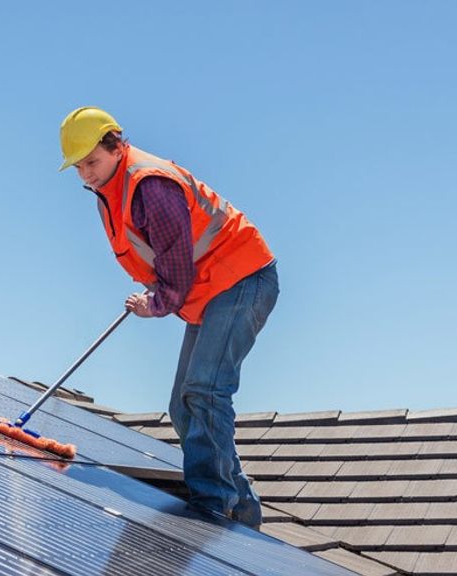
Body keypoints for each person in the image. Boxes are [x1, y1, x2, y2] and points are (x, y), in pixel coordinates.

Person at [58, 106, 279, 529]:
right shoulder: (113, 186)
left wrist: (156, 303)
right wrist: (158, 290)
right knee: (183, 405)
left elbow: (177, 270)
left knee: (205, 390)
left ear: (117, 146)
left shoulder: (149, 186)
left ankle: (213, 507)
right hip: (212, 289)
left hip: (241, 279)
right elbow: (165, 257)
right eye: (79, 166)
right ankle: (242, 508)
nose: (86, 172)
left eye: (92, 161)